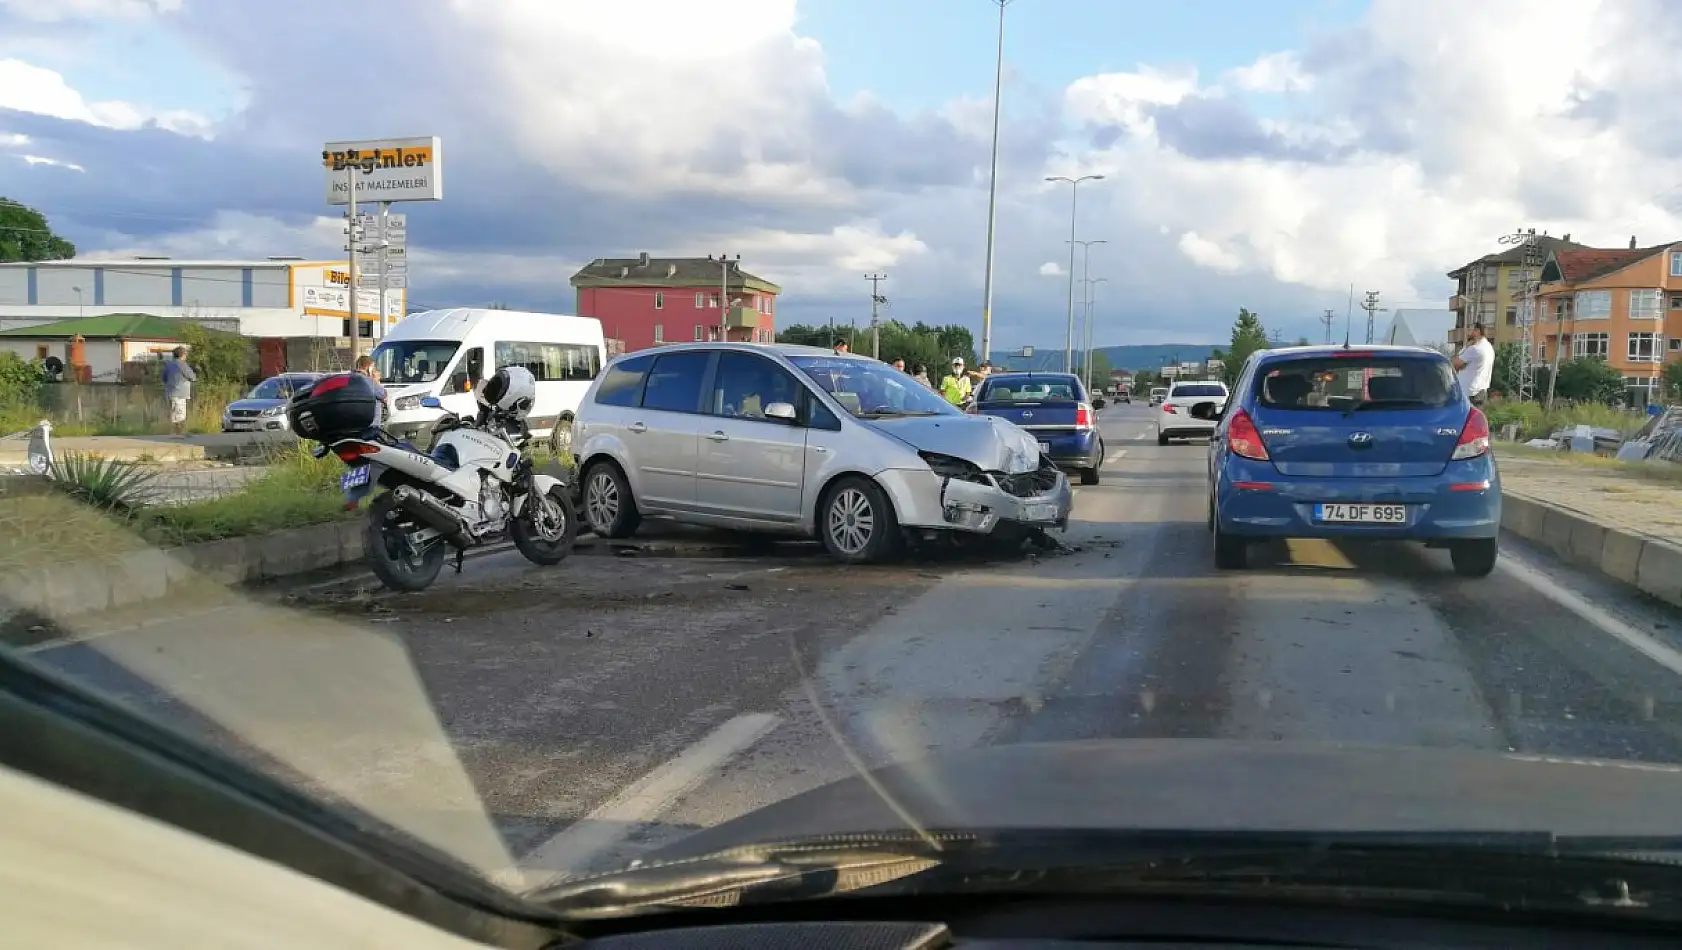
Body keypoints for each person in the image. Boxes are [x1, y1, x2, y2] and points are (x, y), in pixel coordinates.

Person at [1452, 324, 1494, 408]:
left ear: (1477, 331)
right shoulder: (1489, 347)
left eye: (1470, 330)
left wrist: (1465, 347)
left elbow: (1454, 365)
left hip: (1469, 394)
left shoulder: (1474, 349)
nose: (1467, 333)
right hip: (1481, 391)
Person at [160, 346, 196, 436]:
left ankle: (174, 432)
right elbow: (192, 377)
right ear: (182, 355)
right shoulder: (182, 364)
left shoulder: (169, 365)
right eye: (185, 354)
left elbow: (164, 378)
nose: (186, 356)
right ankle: (179, 433)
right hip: (180, 393)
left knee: (173, 413)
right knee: (180, 415)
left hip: (170, 393)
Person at [355, 354, 392, 424]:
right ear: (369, 368)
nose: (374, 369)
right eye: (373, 367)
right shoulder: (367, 381)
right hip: (370, 424)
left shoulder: (351, 378)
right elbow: (383, 394)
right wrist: (376, 382)